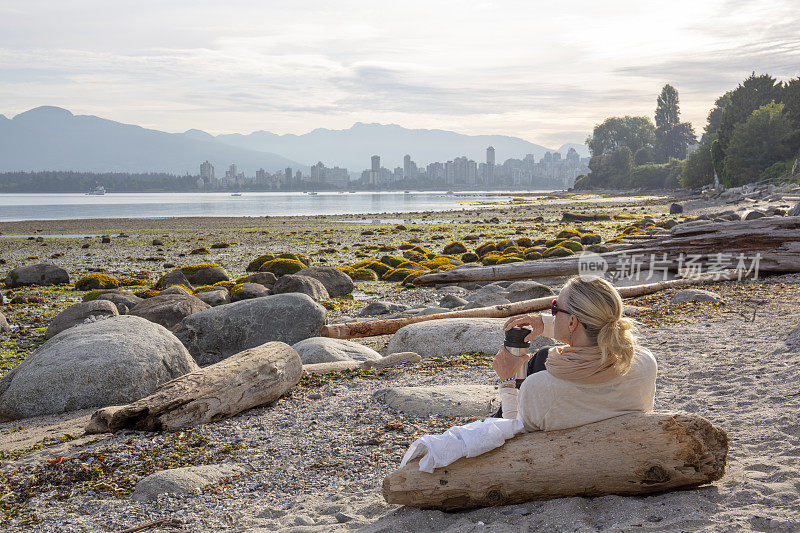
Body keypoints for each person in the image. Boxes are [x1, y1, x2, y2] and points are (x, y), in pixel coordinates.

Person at [491, 274, 657, 432]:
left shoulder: (539, 388)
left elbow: (512, 433)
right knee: (543, 355)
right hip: (618, 453)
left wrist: (507, 381)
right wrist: (545, 323)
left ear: (572, 322)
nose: (552, 313)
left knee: (541, 358)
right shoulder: (645, 364)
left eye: (555, 308)